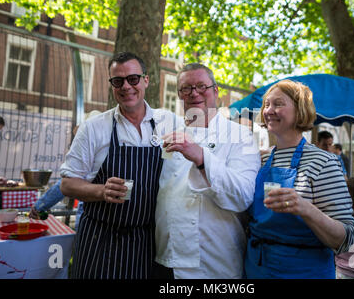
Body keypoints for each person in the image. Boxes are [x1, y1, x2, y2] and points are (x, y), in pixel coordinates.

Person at [60, 52, 177, 279]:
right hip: (100, 239)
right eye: (118, 81)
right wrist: (100, 190)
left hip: (146, 242)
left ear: (146, 80)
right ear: (112, 85)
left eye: (133, 79)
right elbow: (67, 184)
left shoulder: (167, 124)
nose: (126, 87)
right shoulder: (93, 128)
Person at [154, 63, 261, 279]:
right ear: (179, 95)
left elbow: (243, 196)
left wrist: (201, 157)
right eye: (186, 88)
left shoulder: (240, 136)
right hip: (166, 260)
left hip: (214, 264)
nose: (194, 93)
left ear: (215, 90)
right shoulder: (168, 136)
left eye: (201, 86)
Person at [244, 80, 354, 279]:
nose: (269, 110)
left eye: (278, 104)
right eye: (266, 104)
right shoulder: (260, 159)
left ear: (300, 110)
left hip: (302, 271)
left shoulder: (324, 162)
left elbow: (345, 239)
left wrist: (305, 208)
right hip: (256, 268)